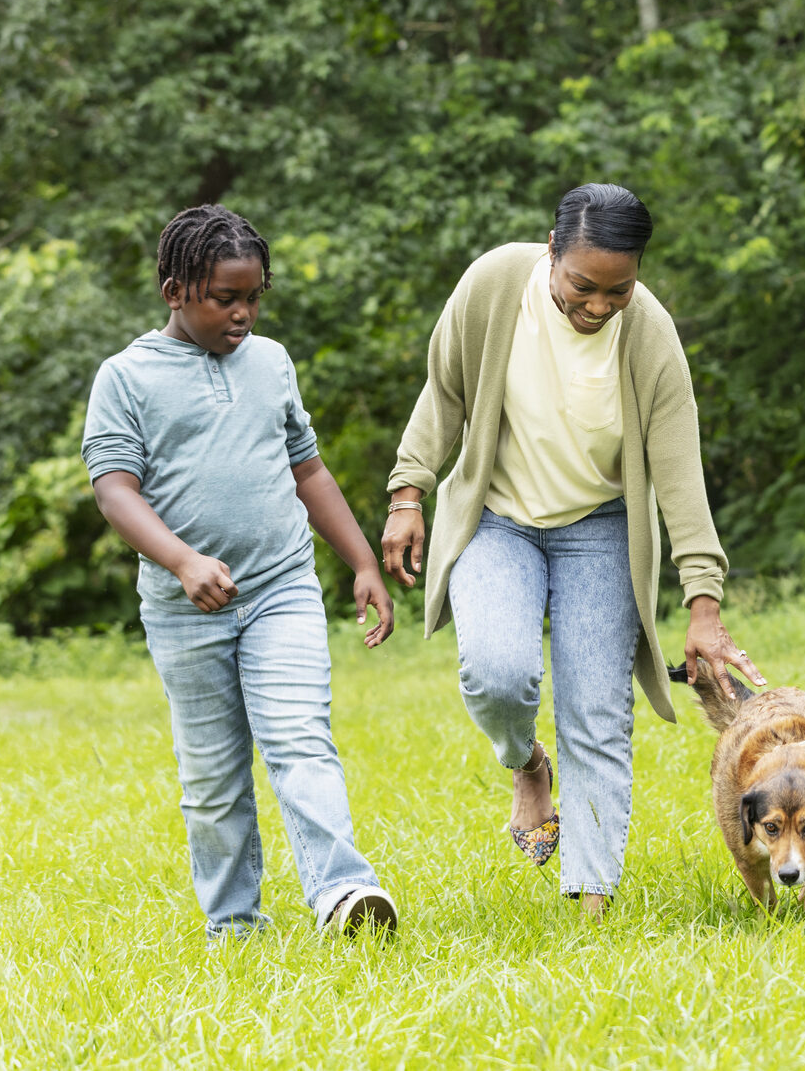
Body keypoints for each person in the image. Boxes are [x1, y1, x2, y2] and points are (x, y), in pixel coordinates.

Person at [380, 183, 764, 917]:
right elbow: (444, 395)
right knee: (498, 673)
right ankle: (527, 762)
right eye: (581, 285)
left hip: (600, 526)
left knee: (596, 712)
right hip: (497, 517)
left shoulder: (649, 334)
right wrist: (408, 492)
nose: (597, 304)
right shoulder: (494, 286)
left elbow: (682, 476)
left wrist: (704, 602)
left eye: (617, 289)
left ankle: (592, 904)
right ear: (550, 250)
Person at [82, 205, 398, 940]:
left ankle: (345, 893)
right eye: (226, 297)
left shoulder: (270, 361)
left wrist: (358, 561)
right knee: (214, 779)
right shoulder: (126, 377)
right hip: (183, 607)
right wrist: (182, 559)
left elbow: (307, 467)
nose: (244, 313)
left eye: (254, 296)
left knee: (300, 739)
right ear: (174, 290)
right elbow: (114, 488)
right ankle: (234, 925)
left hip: (282, 587)